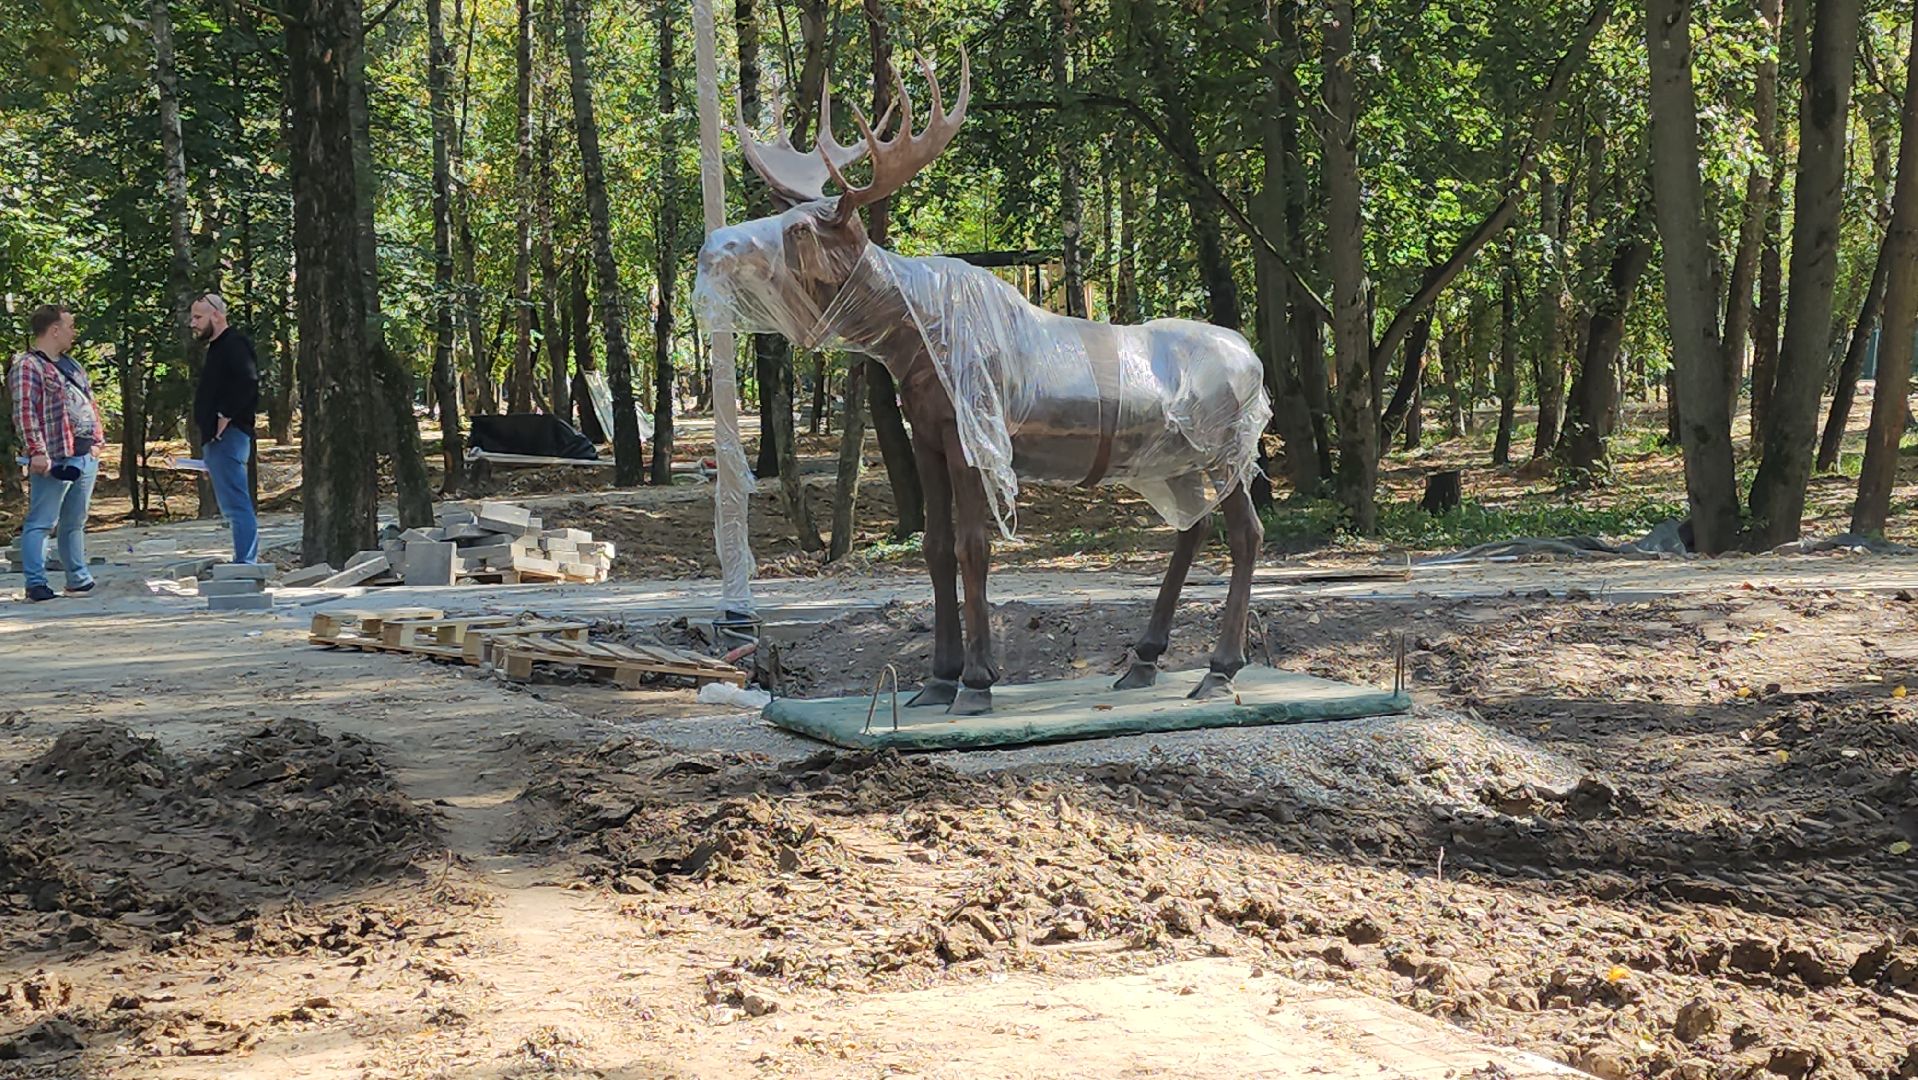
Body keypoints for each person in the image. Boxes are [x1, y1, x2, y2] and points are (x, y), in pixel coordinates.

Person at [8, 304, 103, 602]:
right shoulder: (28, 366)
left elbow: (89, 402)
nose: (74, 332)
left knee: (75, 520)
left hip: (85, 454)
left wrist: (98, 439)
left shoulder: (73, 365)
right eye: (71, 326)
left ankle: (78, 579)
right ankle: (36, 583)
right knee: (42, 520)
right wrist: (37, 451)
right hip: (54, 456)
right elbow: (24, 412)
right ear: (54, 329)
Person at [191, 293, 260, 564]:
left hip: (229, 437)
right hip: (218, 439)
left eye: (198, 317)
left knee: (235, 505)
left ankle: (245, 563)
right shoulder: (217, 347)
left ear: (217, 315)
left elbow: (248, 381)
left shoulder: (234, 343)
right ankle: (243, 559)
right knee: (231, 505)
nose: (192, 323)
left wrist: (224, 415)